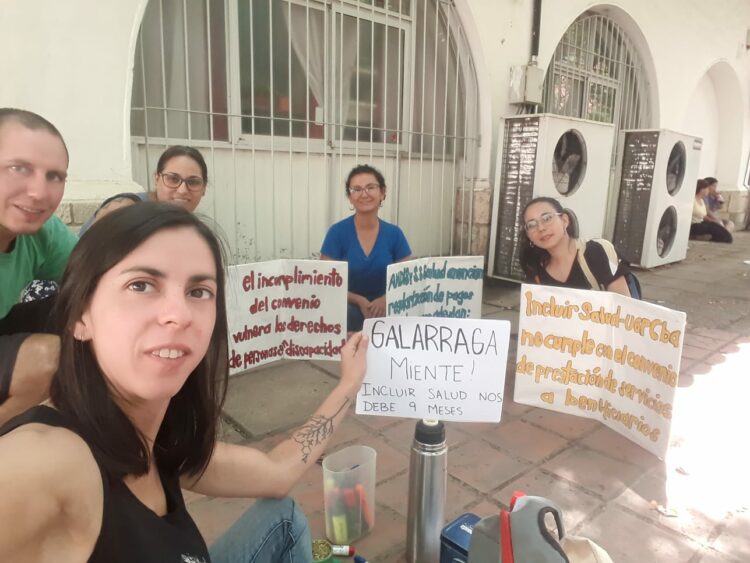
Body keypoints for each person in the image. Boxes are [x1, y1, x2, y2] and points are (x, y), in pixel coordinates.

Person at [0, 202, 369, 562]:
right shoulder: (48, 462)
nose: (178, 315)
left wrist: (348, 385)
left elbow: (277, 474)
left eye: (198, 291)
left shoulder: (160, 442)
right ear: (80, 316)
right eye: (141, 285)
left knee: (285, 518)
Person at [0, 108, 77, 426]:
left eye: (54, 176)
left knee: (82, 308)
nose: (39, 192)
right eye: (19, 168)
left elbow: (97, 276)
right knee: (50, 356)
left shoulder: (45, 233)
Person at [321, 164, 412, 332]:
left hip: (387, 310)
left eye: (371, 187)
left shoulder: (395, 234)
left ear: (382, 192)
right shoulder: (336, 233)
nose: (364, 194)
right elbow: (326, 282)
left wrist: (385, 299)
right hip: (348, 310)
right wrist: (358, 300)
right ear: (349, 196)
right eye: (356, 189)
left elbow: (409, 279)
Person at [78, 145, 208, 235]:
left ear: (204, 189)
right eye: (173, 179)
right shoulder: (126, 209)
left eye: (193, 182)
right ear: (156, 179)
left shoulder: (185, 226)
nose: (182, 190)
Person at [519, 196, 632, 297]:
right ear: (528, 235)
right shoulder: (535, 266)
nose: (541, 228)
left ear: (564, 220)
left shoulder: (597, 251)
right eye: (532, 224)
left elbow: (622, 309)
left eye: (547, 218)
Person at [690, 179, 733, 243]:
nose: (708, 191)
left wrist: (713, 221)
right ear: (702, 189)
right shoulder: (692, 200)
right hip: (693, 224)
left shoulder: (701, 200)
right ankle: (723, 238)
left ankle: (725, 237)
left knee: (715, 225)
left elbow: (704, 215)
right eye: (707, 189)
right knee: (712, 227)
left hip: (701, 222)